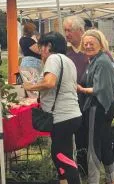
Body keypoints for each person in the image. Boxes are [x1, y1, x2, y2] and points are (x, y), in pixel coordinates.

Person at [23, 32, 82, 184]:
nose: (40, 50)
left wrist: (31, 86)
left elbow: (50, 83)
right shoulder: (67, 60)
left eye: (41, 46)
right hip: (70, 114)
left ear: (48, 46)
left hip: (62, 116)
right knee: (59, 155)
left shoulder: (53, 58)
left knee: (63, 157)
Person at [77, 29, 114, 184]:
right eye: (86, 43)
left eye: (92, 43)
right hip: (105, 107)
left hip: (99, 107)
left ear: (101, 44)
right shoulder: (99, 59)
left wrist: (81, 89)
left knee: (93, 146)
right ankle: (112, 179)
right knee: (105, 142)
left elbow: (100, 88)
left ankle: (94, 181)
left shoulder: (101, 61)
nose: (88, 46)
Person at [63, 16, 89, 177]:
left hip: (90, 99)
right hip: (72, 101)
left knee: (89, 135)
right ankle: (80, 166)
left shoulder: (90, 48)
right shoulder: (65, 52)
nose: (67, 34)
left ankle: (88, 165)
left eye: (69, 30)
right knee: (77, 135)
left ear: (80, 31)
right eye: (65, 30)